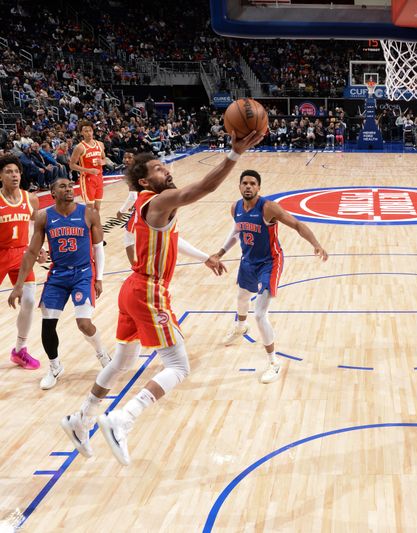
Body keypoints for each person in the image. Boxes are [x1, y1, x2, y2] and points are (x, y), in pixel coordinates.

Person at [61, 130, 264, 466]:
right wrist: (234, 154)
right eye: (158, 169)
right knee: (179, 366)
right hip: (149, 291)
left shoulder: (149, 205)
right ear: (144, 181)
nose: (166, 171)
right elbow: (203, 188)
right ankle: (122, 419)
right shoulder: (157, 202)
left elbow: (172, 240)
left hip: (131, 288)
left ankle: (81, 419)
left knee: (122, 362)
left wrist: (206, 258)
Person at [211, 170, 327, 384]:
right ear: (239, 186)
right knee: (242, 298)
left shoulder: (268, 208)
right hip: (248, 261)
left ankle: (273, 362)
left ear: (258, 187)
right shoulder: (235, 207)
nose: (248, 186)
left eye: (252, 183)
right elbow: (237, 232)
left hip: (269, 262)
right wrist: (219, 253)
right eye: (244, 183)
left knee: (260, 314)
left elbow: (298, 225)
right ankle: (240, 327)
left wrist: (316, 244)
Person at [8, 177, 109, 389]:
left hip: (83, 274)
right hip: (58, 276)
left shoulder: (89, 213)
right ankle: (55, 367)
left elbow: (99, 247)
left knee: (83, 323)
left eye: (70, 186)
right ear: (53, 192)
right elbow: (32, 252)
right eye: (62, 186)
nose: (68, 189)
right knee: (48, 323)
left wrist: (99, 277)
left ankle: (102, 354)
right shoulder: (45, 217)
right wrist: (18, 285)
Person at [0, 154, 44, 369]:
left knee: (28, 301)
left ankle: (20, 351)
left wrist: (40, 247)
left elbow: (37, 223)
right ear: (1, 176)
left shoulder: (30, 198)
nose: (14, 175)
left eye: (16, 171)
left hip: (21, 254)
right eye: (8, 171)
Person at [69, 121, 106, 212]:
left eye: (90, 130)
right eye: (86, 131)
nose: (89, 133)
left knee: (97, 208)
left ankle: (96, 225)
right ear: (81, 133)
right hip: (87, 179)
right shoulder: (80, 147)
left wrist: (102, 162)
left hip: (99, 178)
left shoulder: (100, 144)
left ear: (93, 131)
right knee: (90, 208)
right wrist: (89, 170)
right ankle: (90, 225)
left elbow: (104, 159)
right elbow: (72, 165)